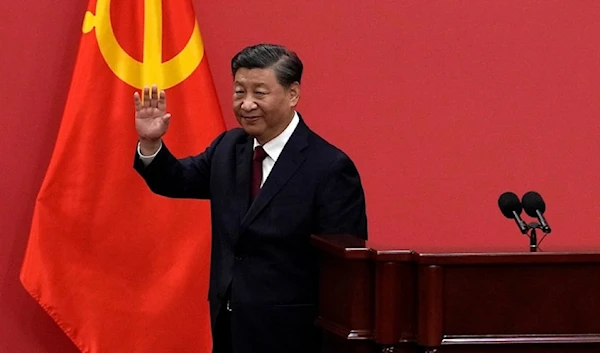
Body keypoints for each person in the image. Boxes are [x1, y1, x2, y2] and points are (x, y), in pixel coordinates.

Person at [132, 43, 368, 353]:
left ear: (293, 94)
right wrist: (150, 143)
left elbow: (344, 273)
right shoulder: (229, 148)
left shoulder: (329, 167)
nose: (247, 104)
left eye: (259, 93)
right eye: (240, 92)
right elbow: (176, 180)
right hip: (229, 327)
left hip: (293, 337)